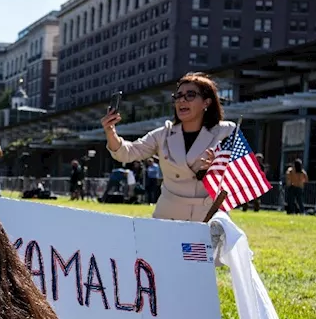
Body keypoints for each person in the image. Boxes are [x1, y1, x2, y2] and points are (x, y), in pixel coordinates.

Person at [101, 72, 237, 221]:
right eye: (178, 96)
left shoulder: (226, 131)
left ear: (206, 102)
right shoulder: (162, 134)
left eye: (190, 95)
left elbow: (242, 174)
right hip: (168, 216)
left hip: (208, 217)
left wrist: (220, 166)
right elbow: (126, 153)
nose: (182, 100)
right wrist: (110, 132)